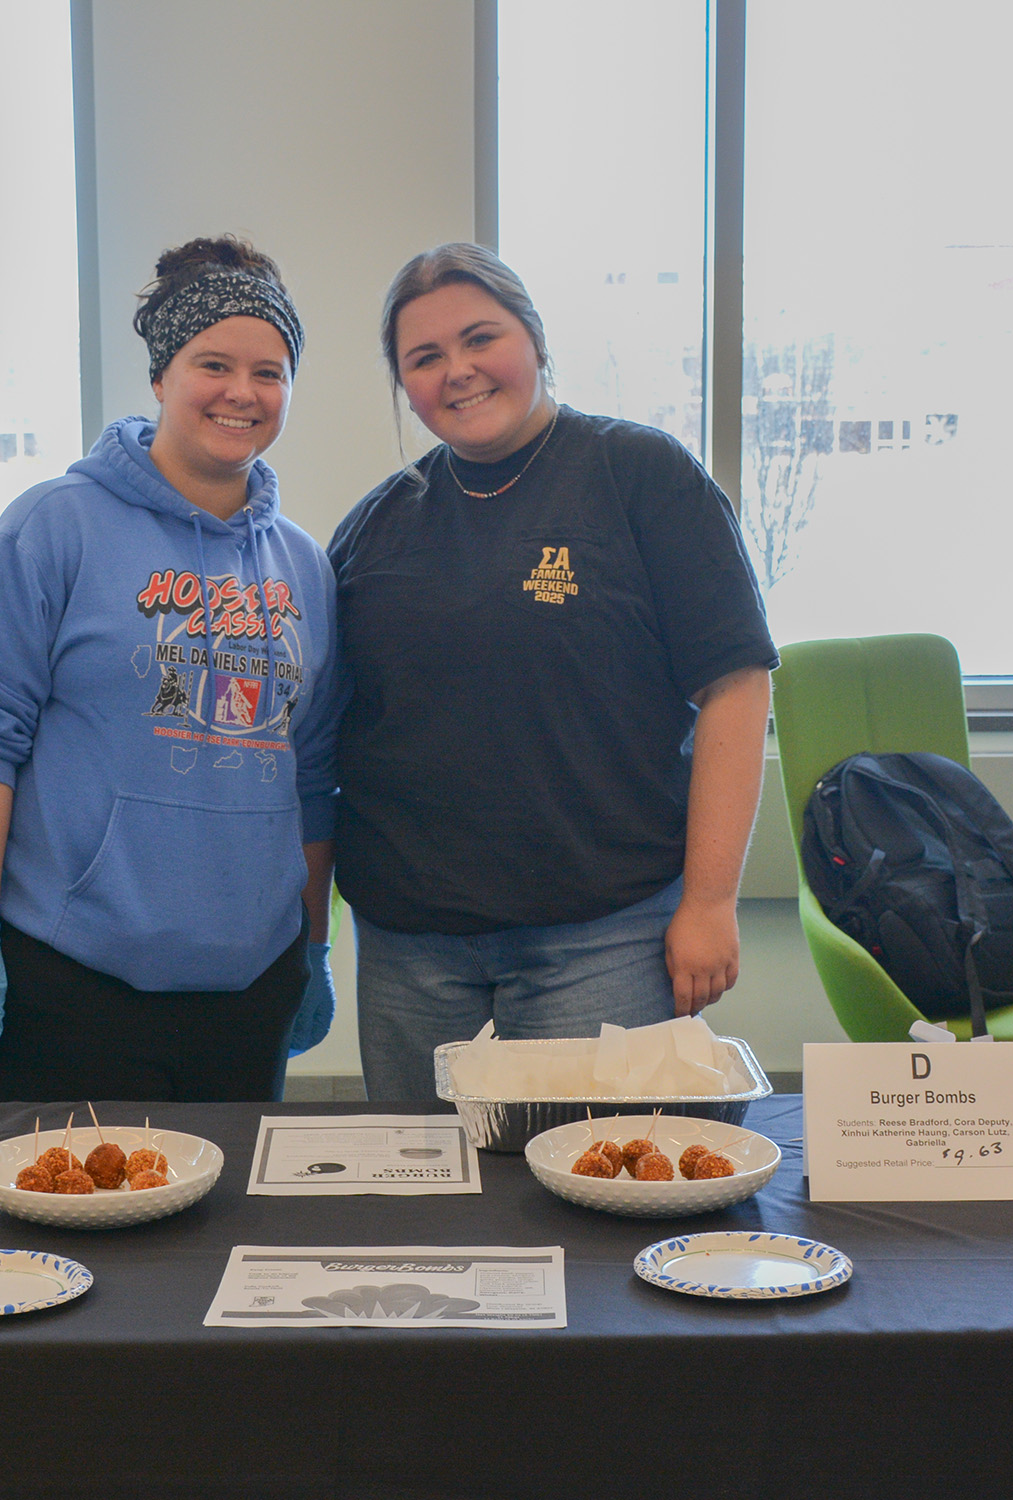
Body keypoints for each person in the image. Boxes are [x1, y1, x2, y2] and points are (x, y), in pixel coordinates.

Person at [329, 243, 779, 1101]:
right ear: (404, 384)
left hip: (604, 932)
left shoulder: (641, 477)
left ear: (533, 339)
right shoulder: (373, 529)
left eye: (479, 338)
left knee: (596, 1189)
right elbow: (325, 738)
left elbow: (735, 686)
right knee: (424, 1198)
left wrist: (713, 902)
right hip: (410, 946)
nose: (456, 371)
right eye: (424, 358)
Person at [0, 237, 340, 1102]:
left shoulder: (303, 565)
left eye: (270, 371)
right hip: (71, 983)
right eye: (212, 363)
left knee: (226, 1238)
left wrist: (312, 944)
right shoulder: (54, 526)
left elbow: (318, 769)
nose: (242, 392)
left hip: (248, 990)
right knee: (68, 1231)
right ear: (161, 377)